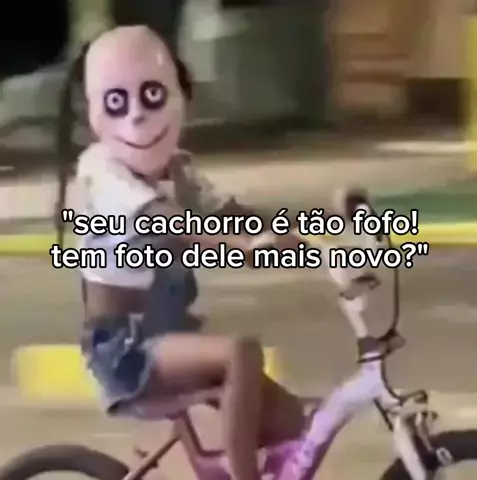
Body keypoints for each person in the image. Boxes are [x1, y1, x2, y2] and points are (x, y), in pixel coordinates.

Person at [56, 26, 306, 480]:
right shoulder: (102, 171)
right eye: (116, 102)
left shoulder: (179, 168)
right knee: (241, 352)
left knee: (290, 420)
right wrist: (240, 246)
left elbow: (231, 212)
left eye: (151, 96)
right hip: (126, 350)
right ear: (94, 113)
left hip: (173, 336)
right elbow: (168, 223)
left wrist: (306, 233)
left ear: (178, 96)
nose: (136, 117)